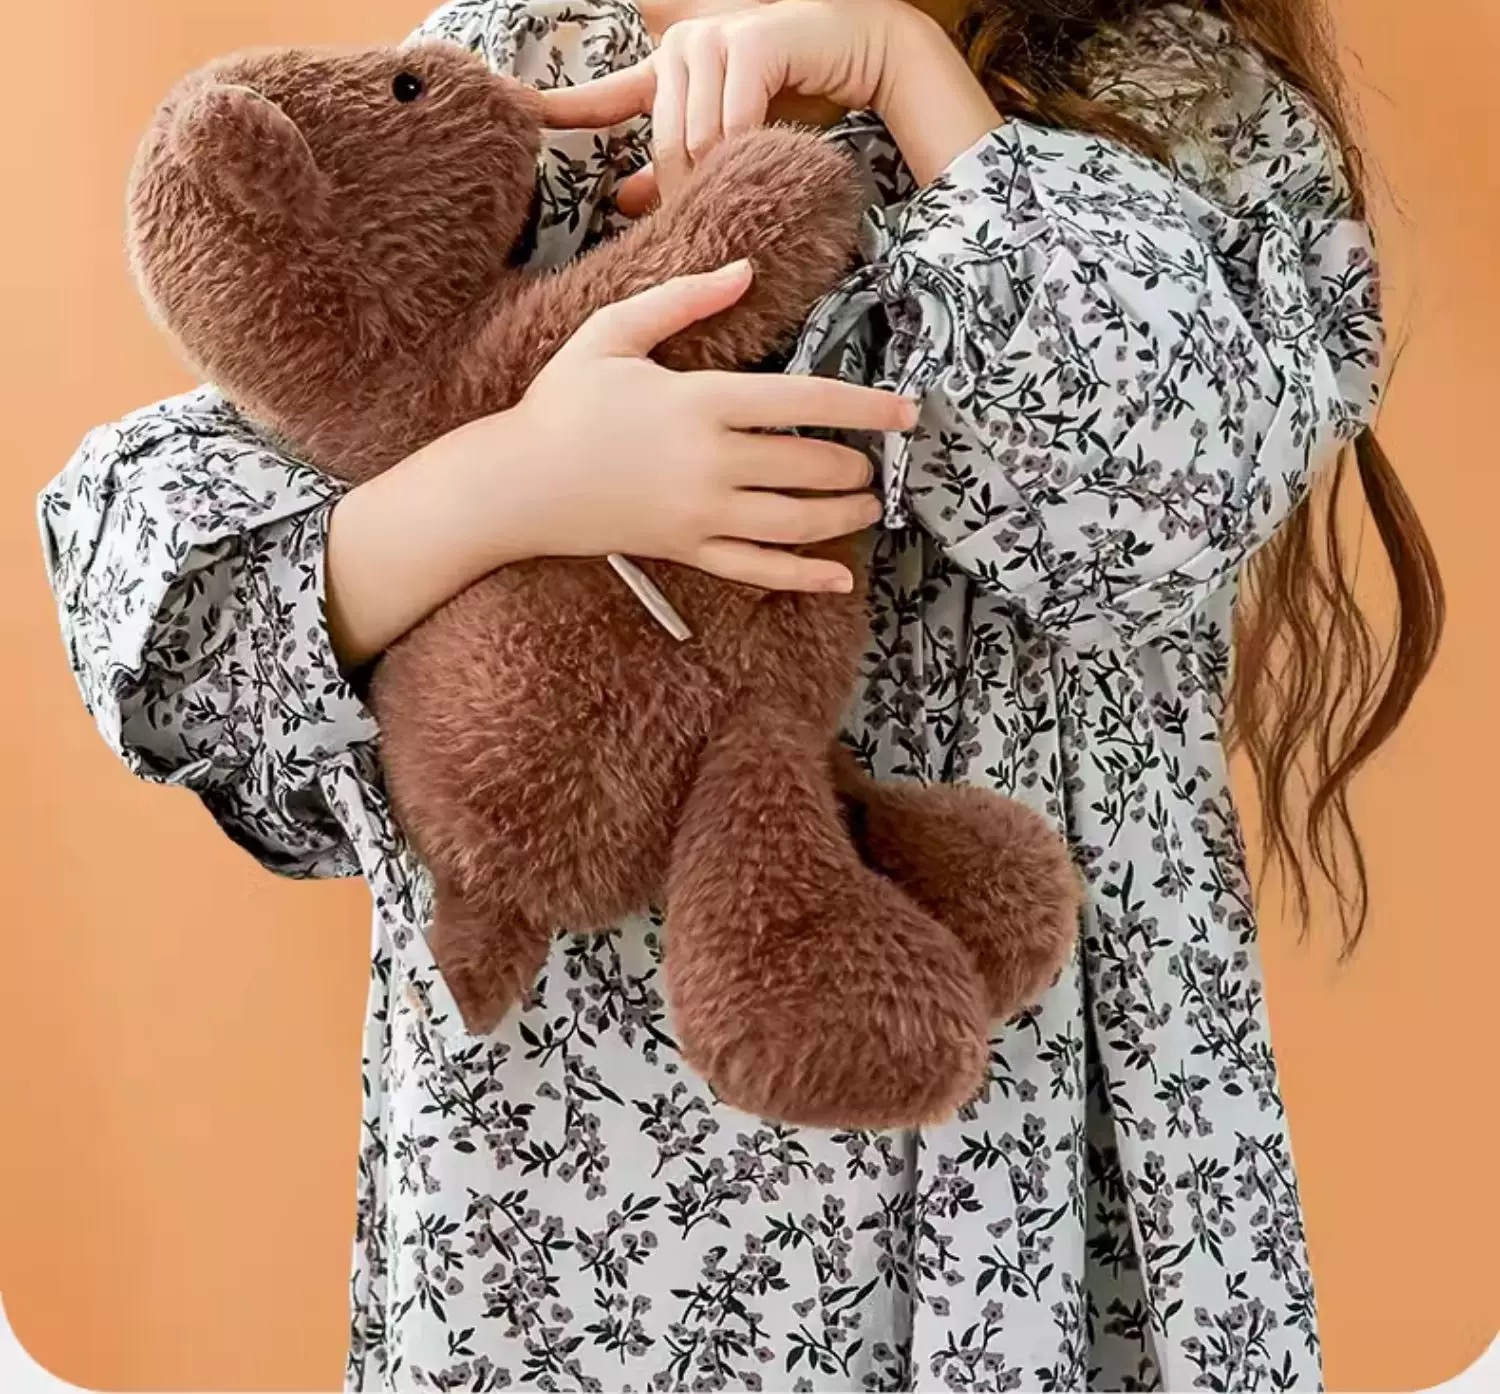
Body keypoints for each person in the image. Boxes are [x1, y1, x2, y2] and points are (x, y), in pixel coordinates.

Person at [38, 0, 1442, 1388]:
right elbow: (199, 634)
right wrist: (508, 484)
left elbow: (1162, 509)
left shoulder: (1171, 92)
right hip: (576, 1188)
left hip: (1017, 1163)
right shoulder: (524, 67)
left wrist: (901, 64)